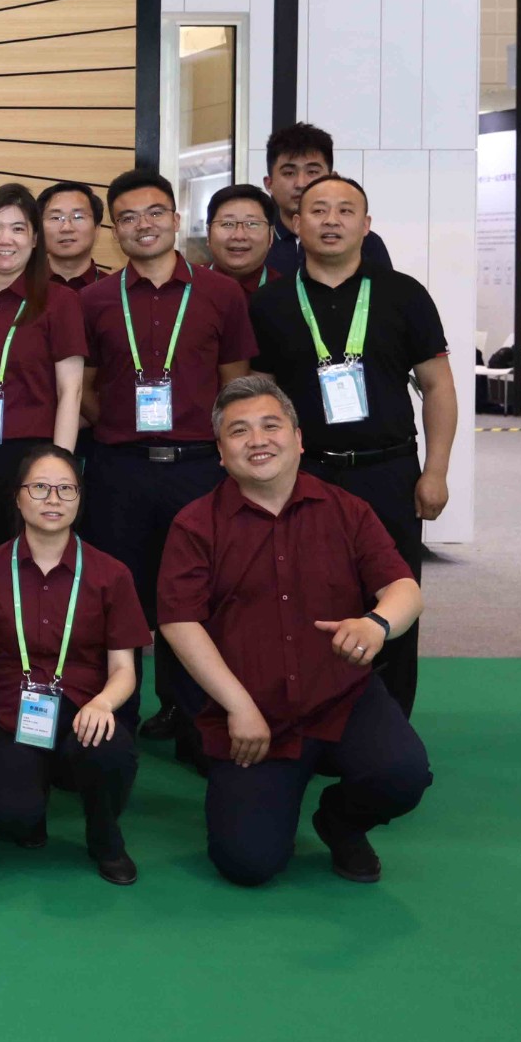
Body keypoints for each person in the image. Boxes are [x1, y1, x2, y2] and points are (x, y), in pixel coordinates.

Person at [158, 376, 430, 886]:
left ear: (299, 439)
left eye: (271, 425)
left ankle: (340, 822)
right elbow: (179, 621)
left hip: (341, 697)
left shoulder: (348, 510)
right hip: (253, 713)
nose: (257, 440)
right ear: (220, 453)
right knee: (247, 863)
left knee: (404, 773)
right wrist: (238, 707)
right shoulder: (195, 525)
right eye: (239, 431)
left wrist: (377, 623)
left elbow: (404, 589)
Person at [247, 174, 454, 716]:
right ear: (296, 223)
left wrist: (435, 472)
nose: (331, 220)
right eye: (318, 210)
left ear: (366, 225)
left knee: (393, 594)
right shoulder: (270, 303)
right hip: (303, 476)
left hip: (388, 472)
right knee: (302, 595)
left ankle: (391, 720)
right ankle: (311, 717)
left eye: (345, 210)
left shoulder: (404, 294)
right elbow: (258, 400)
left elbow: (438, 387)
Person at [75, 169, 255, 749]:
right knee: (117, 593)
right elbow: (87, 389)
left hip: (198, 468)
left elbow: (235, 386)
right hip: (119, 469)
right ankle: (116, 720)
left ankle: (192, 718)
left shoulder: (221, 294)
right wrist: (121, 426)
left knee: (194, 593)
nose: (143, 225)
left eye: (154, 213)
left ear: (176, 220)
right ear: (114, 232)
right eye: (127, 218)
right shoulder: (94, 300)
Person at [0, 445, 148, 885]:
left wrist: (104, 704)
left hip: (85, 710)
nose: (53, 499)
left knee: (110, 751)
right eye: (40, 488)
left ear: (80, 499)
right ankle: (31, 798)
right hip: (13, 712)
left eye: (66, 489)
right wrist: (13, 672)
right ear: (18, 496)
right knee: (10, 817)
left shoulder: (111, 573)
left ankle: (104, 835)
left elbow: (124, 669)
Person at [0, 183, 84, 554]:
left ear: (35, 239)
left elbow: (71, 391)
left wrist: (58, 471)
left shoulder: (60, 302)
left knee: (33, 563)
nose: (5, 239)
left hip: (34, 458)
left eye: (18, 228)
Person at [261, 122, 394, 278]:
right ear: (269, 184)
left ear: (332, 177)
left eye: (312, 172)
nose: (301, 183)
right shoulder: (257, 241)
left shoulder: (365, 241)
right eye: (289, 173)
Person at [204, 184, 277, 295]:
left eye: (252, 224)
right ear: (208, 233)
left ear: (271, 235)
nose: (239, 236)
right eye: (228, 224)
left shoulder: (288, 293)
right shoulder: (187, 286)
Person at [38, 181, 111, 291]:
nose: (66, 228)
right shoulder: (21, 289)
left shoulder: (115, 291)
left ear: (97, 229)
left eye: (78, 217)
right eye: (56, 218)